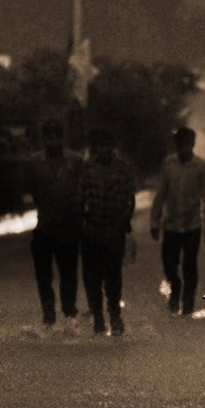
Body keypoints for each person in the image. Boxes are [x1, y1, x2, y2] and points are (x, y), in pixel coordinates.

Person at [20, 118, 83, 328]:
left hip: (69, 228)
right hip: (45, 227)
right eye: (49, 137)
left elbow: (81, 191)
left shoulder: (76, 161)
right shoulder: (34, 163)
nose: (53, 141)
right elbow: (33, 192)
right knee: (44, 275)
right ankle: (48, 313)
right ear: (44, 138)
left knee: (68, 274)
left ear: (62, 138)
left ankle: (68, 311)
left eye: (56, 136)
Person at [150, 126, 205, 316]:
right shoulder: (168, 164)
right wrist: (154, 221)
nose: (184, 148)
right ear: (177, 146)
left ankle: (187, 304)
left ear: (192, 144)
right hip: (170, 224)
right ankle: (176, 288)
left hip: (192, 225)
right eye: (181, 145)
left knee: (190, 266)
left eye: (187, 144)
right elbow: (161, 193)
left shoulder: (202, 167)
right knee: (169, 263)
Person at [81, 128, 137, 335]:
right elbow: (80, 197)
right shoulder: (86, 169)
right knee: (91, 277)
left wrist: (124, 222)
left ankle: (114, 314)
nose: (104, 150)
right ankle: (97, 316)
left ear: (112, 147)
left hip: (114, 229)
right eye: (101, 146)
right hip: (91, 229)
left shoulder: (124, 169)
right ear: (96, 148)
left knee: (113, 275)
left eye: (107, 145)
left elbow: (129, 198)